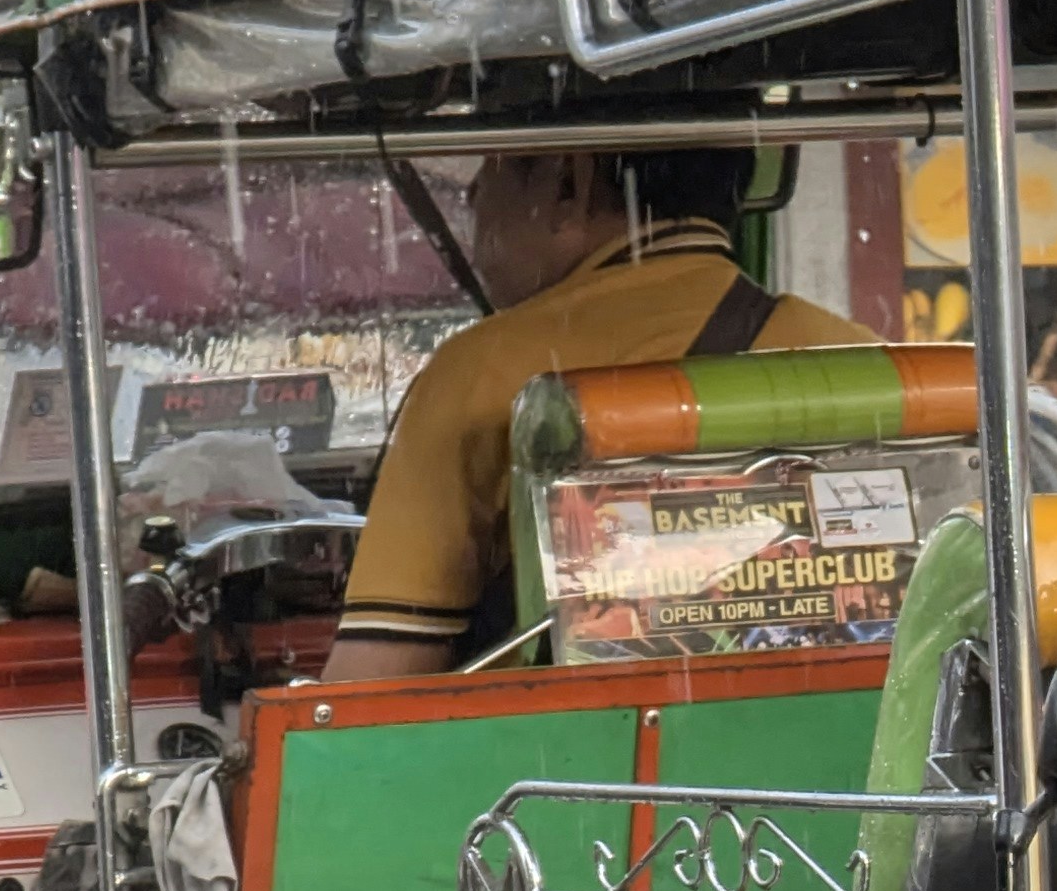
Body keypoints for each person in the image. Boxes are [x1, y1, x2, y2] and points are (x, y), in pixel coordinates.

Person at [327, 148, 866, 676]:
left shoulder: (481, 373)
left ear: (568, 184)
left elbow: (370, 684)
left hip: (556, 757)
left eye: (487, 165)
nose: (470, 194)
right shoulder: (858, 361)